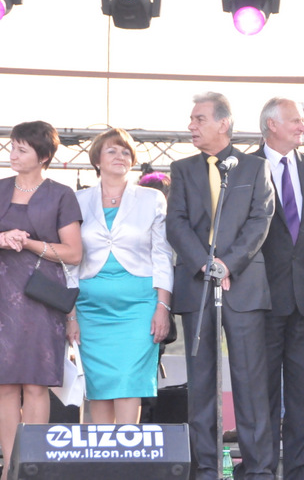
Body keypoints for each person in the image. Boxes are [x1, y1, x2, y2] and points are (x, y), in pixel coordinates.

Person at [166, 92, 276, 480]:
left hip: (242, 286)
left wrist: (228, 264)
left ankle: (258, 469)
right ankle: (206, 468)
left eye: (199, 119)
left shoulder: (254, 167)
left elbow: (260, 220)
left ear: (223, 123)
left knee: (250, 382)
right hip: (198, 286)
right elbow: (176, 223)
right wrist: (205, 264)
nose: (191, 126)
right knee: (201, 384)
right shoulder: (182, 169)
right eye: (192, 119)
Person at [256, 97, 304, 480]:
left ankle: (301, 471)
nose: (303, 126)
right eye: (295, 120)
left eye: (303, 121)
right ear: (271, 124)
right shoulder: (243, 167)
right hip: (262, 300)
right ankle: (263, 469)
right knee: (263, 393)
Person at [69, 128, 172, 423]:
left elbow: (162, 256)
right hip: (90, 309)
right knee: (99, 387)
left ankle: (127, 449)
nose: (120, 156)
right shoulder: (76, 200)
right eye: (112, 150)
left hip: (139, 307)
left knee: (129, 383)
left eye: (126, 151)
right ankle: (102, 452)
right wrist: (70, 315)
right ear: (96, 160)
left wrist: (162, 307)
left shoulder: (151, 198)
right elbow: (69, 262)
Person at [0, 121, 82, 480]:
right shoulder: (0, 188)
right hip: (2, 296)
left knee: (35, 384)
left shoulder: (61, 194)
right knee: (4, 385)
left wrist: (28, 242)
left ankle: (32, 465)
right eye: (12, 147)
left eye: (22, 149)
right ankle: (10, 466)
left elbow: (74, 253)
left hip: (40, 296)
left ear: (44, 155)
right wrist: (3, 238)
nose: (13, 154)